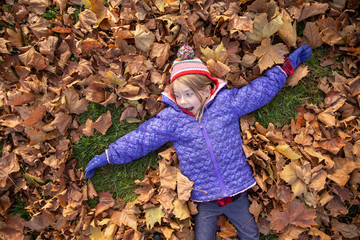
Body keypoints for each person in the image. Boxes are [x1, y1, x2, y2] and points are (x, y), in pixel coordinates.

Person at [85, 44, 312, 239]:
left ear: (206, 90)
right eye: (178, 95)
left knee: (251, 234)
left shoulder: (226, 103)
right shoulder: (171, 119)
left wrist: (285, 69)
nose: (183, 101)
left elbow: (258, 92)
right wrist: (106, 157)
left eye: (189, 94)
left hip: (238, 192)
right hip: (204, 198)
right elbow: (140, 139)